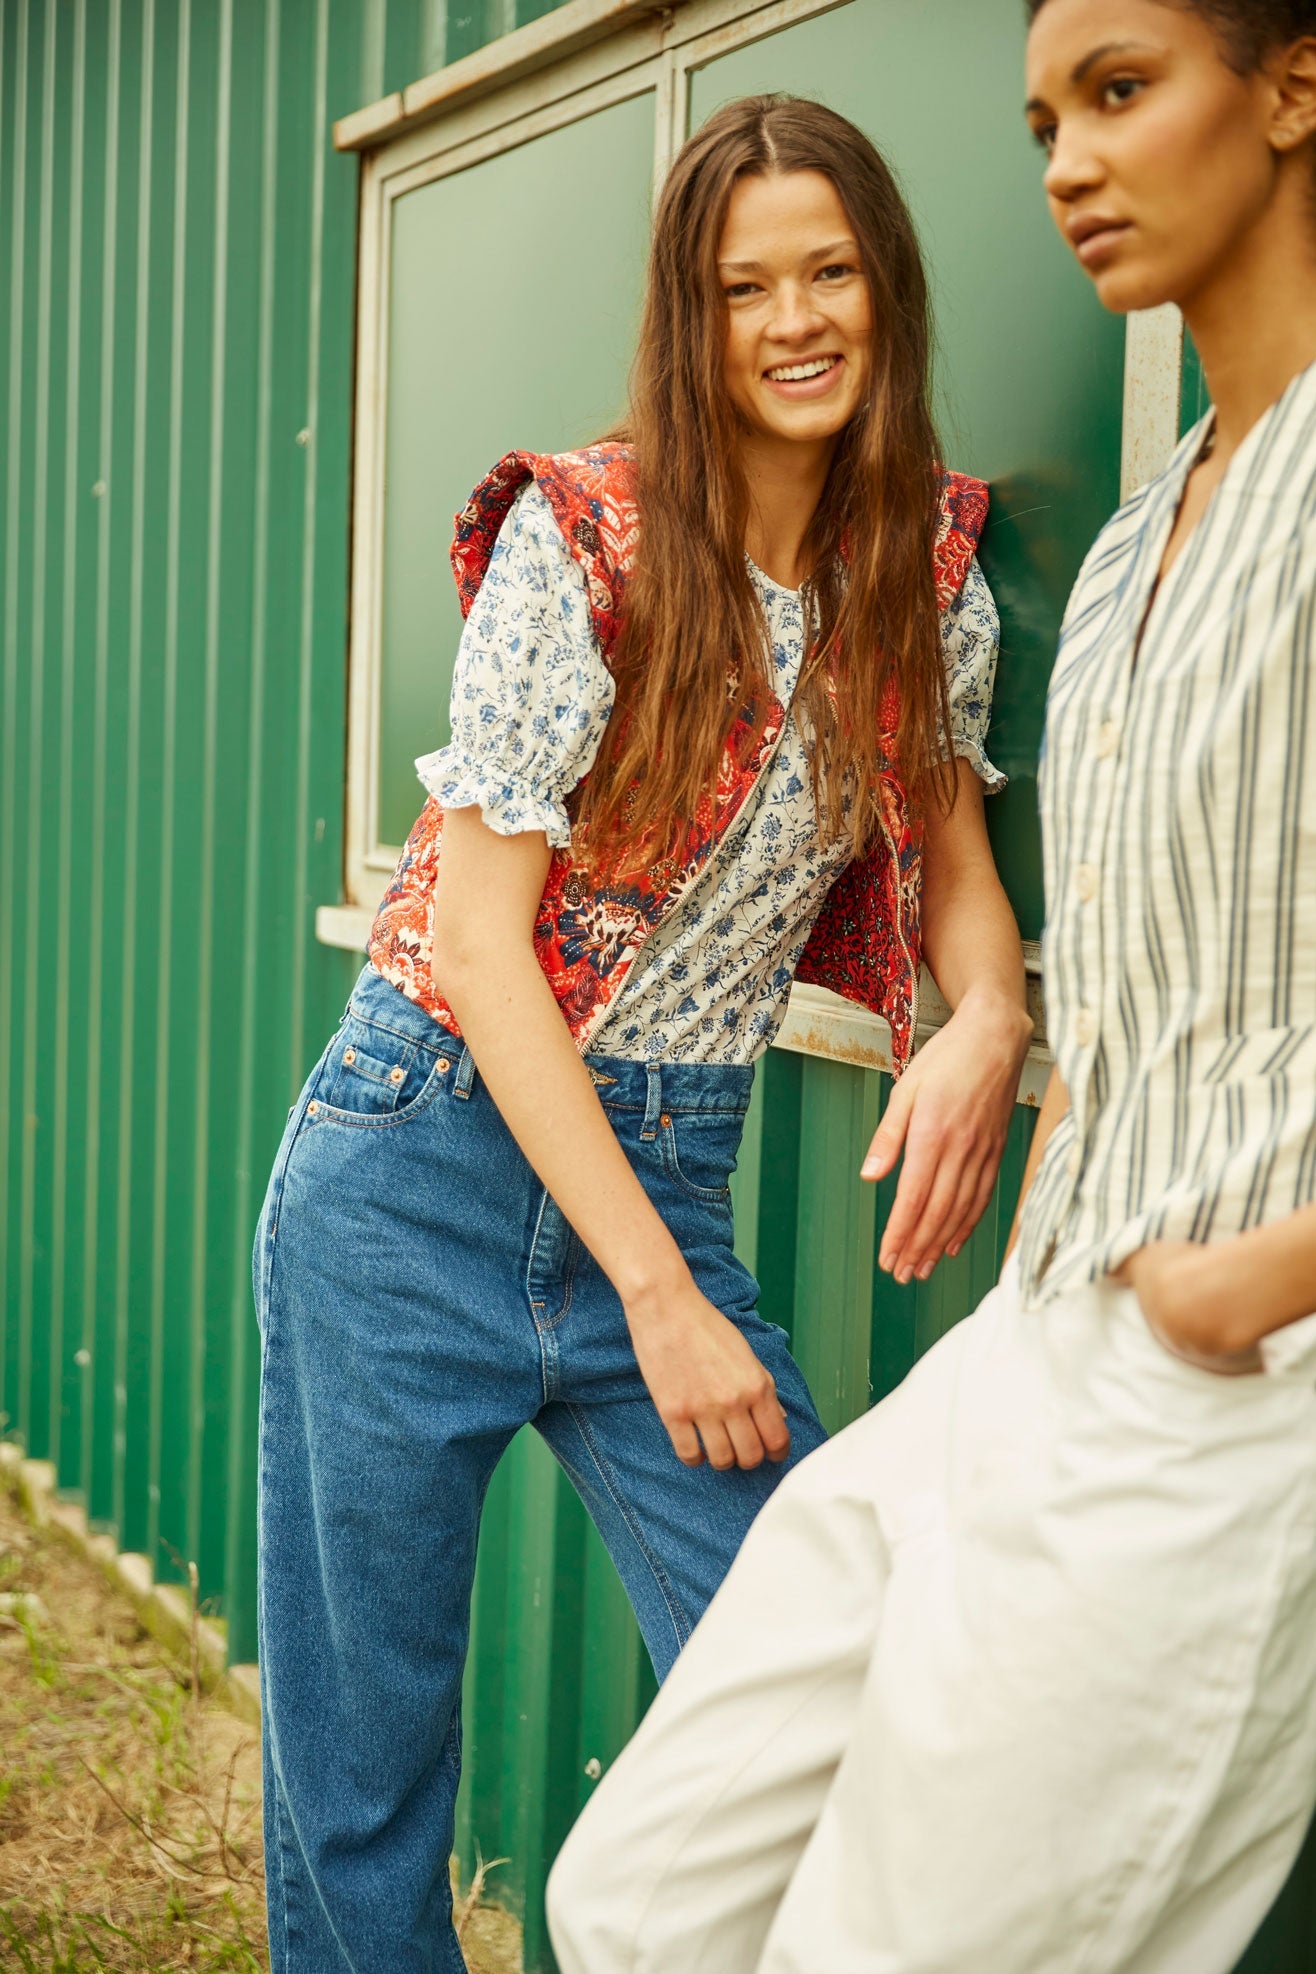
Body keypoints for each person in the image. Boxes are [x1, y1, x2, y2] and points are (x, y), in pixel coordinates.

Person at [545, 7, 1316, 1971]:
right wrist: (1009, 1044)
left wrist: (1250, 1287)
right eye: (1045, 114)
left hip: (1234, 1367)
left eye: (1121, 92)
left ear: (1293, 87)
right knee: (631, 1900)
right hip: (1046, 1321)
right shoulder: (1152, 531)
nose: (1063, 159)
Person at [253, 94, 1029, 1973]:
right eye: (743, 284)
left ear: (887, 287)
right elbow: (491, 954)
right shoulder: (583, 538)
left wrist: (991, 1012)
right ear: (689, 319)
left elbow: (953, 876)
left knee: (817, 1668)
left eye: (829, 270)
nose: (792, 319)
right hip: (416, 1162)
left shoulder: (922, 582)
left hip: (659, 1173)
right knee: (362, 1776)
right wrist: (659, 1299)